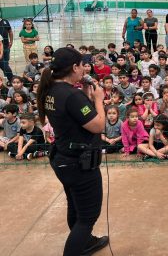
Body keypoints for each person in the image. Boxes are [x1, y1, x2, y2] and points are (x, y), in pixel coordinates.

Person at [36, 47, 109, 255]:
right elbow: (97, 126)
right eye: (82, 65)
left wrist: (85, 97)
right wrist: (98, 99)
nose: (85, 68)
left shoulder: (51, 89)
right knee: (87, 217)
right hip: (79, 164)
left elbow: (75, 116)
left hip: (63, 158)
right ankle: (77, 246)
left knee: (76, 205)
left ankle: (86, 242)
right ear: (74, 67)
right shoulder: (71, 94)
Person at [0, 13, 14, 82]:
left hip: (6, 46)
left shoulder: (5, 21)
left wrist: (11, 41)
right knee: (4, 65)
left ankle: (8, 79)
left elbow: (10, 31)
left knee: (6, 64)